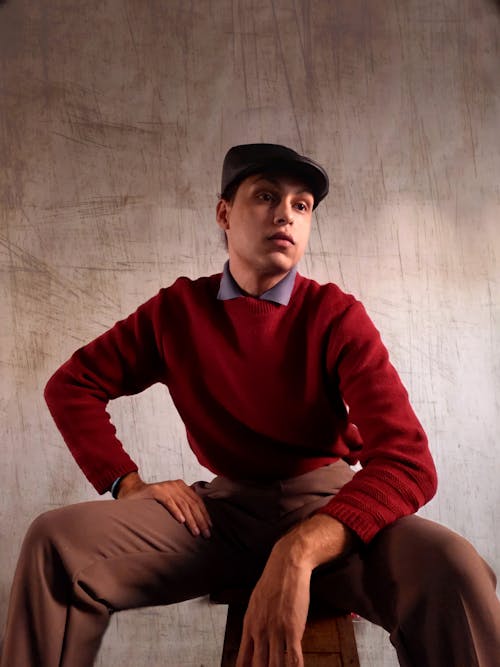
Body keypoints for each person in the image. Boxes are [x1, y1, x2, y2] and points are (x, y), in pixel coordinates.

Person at [1, 143, 499, 667]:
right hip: (223, 520)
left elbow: (408, 463)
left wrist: (300, 550)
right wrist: (128, 483)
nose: (285, 213)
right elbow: (72, 385)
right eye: (266, 196)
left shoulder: (335, 316)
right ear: (224, 213)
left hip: (330, 517)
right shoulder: (176, 312)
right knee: (55, 544)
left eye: (301, 205)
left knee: (455, 568)